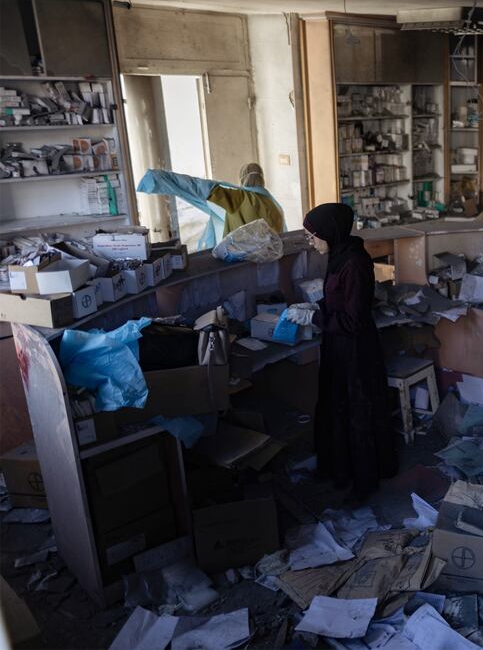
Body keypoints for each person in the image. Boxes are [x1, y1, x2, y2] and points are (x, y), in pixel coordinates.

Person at [303, 203, 397, 502]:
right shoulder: (338, 256)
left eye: (314, 235)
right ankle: (339, 472)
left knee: (358, 414)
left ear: (330, 232)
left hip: (355, 351)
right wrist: (313, 308)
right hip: (337, 347)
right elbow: (337, 304)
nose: (312, 241)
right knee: (336, 408)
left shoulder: (355, 263)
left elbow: (354, 320)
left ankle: (364, 481)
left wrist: (314, 319)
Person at [136, 162, 285, 249]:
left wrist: (161, 178)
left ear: (242, 179)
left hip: (242, 260)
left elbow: (198, 187)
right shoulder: (274, 206)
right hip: (267, 262)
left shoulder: (239, 198)